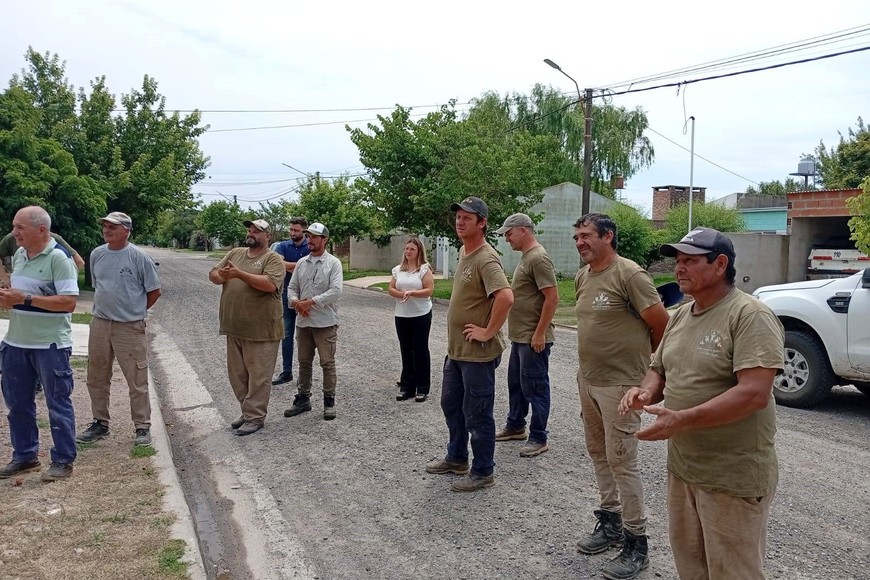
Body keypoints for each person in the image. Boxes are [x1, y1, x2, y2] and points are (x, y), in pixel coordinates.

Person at [619, 227, 784, 580]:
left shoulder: (749, 315)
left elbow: (754, 393)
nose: (679, 268)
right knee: (692, 569)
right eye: (677, 260)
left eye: (690, 261)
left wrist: (682, 420)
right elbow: (658, 370)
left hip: (731, 477)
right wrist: (645, 392)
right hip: (684, 470)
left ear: (720, 264)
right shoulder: (679, 315)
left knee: (734, 572)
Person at [572, 213, 670, 580]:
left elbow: (662, 326)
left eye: (587, 236)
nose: (580, 242)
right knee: (599, 453)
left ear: (608, 237)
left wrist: (649, 378)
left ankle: (636, 542)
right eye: (577, 237)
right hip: (589, 381)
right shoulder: (584, 275)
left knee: (623, 462)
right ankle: (610, 522)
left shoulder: (629, 274)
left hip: (621, 387)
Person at [425, 196, 513, 493]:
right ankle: (457, 458)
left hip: (477, 354)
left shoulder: (486, 258)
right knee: (451, 404)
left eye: (467, 218)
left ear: (482, 223)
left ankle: (483, 471)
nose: (460, 222)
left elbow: (505, 297)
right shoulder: (465, 250)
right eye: (458, 217)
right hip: (457, 350)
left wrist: (488, 332)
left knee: (477, 412)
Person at [0, 206, 79, 482]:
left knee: (57, 404)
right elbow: (21, 295)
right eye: (14, 226)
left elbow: (69, 302)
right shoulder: (20, 255)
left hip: (50, 345)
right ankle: (25, 456)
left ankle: (63, 460)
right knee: (17, 404)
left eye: (20, 227)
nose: (14, 233)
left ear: (41, 230)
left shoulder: (59, 258)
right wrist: (8, 297)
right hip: (16, 343)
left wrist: (24, 299)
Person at [76, 212, 161, 447]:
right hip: (101, 324)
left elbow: (154, 291)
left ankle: (142, 426)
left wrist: (134, 312)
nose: (107, 230)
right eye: (104, 226)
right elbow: (99, 287)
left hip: (129, 327)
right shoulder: (97, 254)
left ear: (126, 230)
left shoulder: (138, 257)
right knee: (97, 376)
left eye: (112, 226)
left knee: (136, 378)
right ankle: (100, 423)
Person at [208, 219, 285, 435]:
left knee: (259, 377)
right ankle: (247, 411)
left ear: (268, 236)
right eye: (250, 230)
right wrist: (221, 275)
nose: (251, 233)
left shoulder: (273, 259)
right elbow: (213, 275)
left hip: (261, 330)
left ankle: (255, 417)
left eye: (257, 231)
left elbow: (270, 285)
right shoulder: (235, 253)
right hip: (234, 326)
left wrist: (239, 274)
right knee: (238, 375)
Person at [494, 213, 558, 458]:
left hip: (534, 338)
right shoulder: (526, 257)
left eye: (509, 233)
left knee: (535, 387)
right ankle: (515, 426)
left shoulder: (539, 258)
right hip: (521, 336)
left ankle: (538, 437)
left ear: (523, 230)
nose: (507, 239)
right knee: (517, 385)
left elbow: (552, 298)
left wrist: (540, 333)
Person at [283, 222, 343, 420]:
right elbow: (292, 288)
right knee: (304, 361)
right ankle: (303, 397)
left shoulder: (333, 263)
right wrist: (296, 302)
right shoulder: (301, 263)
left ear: (324, 240)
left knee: (327, 362)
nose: (310, 240)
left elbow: (335, 291)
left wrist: (311, 303)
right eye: (308, 236)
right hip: (304, 322)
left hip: (324, 322)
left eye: (314, 237)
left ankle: (329, 401)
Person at [388, 237, 434, 402]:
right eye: (406, 249)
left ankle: (422, 387)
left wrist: (413, 293)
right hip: (402, 314)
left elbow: (429, 290)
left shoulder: (423, 270)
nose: (408, 252)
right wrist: (401, 294)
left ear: (419, 251)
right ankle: (407, 386)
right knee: (406, 350)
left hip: (420, 314)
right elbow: (391, 288)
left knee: (420, 350)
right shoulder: (398, 270)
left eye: (412, 249)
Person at [271, 216, 310, 386]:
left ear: (304, 231)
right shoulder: (283, 246)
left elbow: (312, 266)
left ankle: (305, 374)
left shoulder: (310, 246)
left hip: (307, 298)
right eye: (291, 230)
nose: (293, 233)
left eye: (296, 230)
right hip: (287, 296)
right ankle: (287, 372)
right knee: (286, 336)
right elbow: (279, 265)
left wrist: (289, 264)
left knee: (307, 337)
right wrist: (300, 264)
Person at [0, 230, 85, 273]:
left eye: (21, 227)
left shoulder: (54, 239)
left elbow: (79, 262)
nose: (15, 232)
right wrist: (4, 276)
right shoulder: (11, 238)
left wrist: (66, 280)